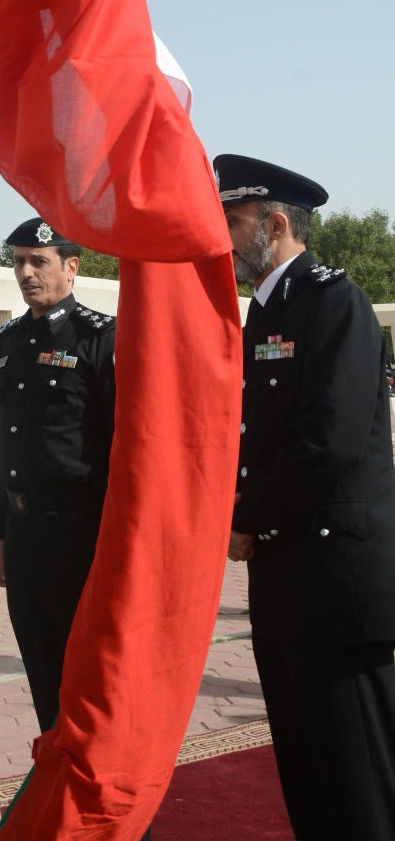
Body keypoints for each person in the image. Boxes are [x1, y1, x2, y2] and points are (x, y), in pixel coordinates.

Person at [215, 153, 395, 841]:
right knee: (307, 773)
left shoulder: (331, 301)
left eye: (232, 221)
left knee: (359, 785)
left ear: (277, 223)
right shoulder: (264, 313)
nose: (222, 238)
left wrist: (243, 517)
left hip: (335, 583)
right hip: (287, 577)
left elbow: (329, 441)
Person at [0, 218, 116, 733]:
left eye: (38, 261)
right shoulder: (12, 339)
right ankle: (57, 792)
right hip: (23, 534)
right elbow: (7, 440)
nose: (25, 272)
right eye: (18, 261)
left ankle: (105, 805)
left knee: (86, 683)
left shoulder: (98, 337)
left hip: (79, 535)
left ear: (71, 267)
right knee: (43, 674)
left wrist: (112, 542)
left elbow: (118, 445)